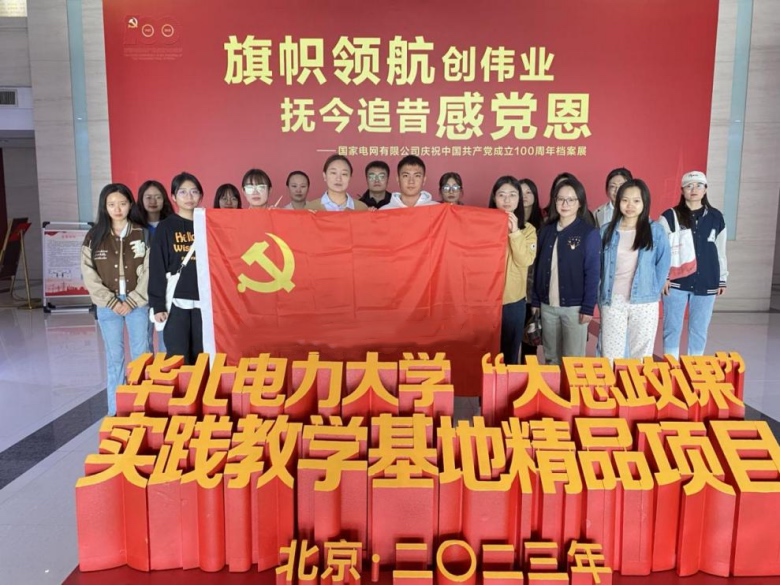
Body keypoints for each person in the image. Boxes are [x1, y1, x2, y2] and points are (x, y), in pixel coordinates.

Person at [80, 183, 150, 415]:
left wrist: (133, 300)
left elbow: (150, 270)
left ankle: (142, 409)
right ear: (104, 207)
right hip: (107, 305)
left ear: (130, 205)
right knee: (114, 360)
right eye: (111, 204)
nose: (117, 209)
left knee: (141, 358)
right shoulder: (94, 236)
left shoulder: (142, 233)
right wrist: (110, 301)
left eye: (122, 203)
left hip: (137, 303)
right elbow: (88, 273)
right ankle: (116, 412)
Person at [599, 179, 670, 361]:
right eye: (625, 200)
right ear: (618, 202)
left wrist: (652, 291)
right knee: (611, 355)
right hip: (613, 300)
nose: (630, 205)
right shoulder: (606, 231)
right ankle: (614, 381)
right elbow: (599, 266)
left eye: (636, 201)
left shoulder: (656, 231)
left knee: (641, 356)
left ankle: (637, 382)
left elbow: (663, 264)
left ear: (644, 202)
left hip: (645, 301)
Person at [531, 177, 600, 365]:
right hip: (547, 306)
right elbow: (538, 267)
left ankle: (571, 386)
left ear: (580, 203)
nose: (565, 204)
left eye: (571, 199)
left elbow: (593, 273)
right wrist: (536, 300)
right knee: (551, 357)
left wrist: (588, 307)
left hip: (574, 308)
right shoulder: (546, 231)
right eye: (560, 199)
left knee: (573, 360)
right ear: (554, 201)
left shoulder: (588, 233)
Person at [658, 171, 728, 357]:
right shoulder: (669, 216)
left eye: (698, 185)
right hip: (676, 282)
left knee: (699, 329)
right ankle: (671, 367)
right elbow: (661, 251)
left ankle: (694, 366)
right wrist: (663, 277)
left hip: (707, 281)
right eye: (689, 186)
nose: (694, 189)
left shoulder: (716, 217)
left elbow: (720, 250)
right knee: (672, 328)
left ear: (705, 189)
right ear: (682, 190)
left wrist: (722, 278)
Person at [149, 171, 204, 365]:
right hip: (175, 302)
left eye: (194, 191)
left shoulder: (208, 224)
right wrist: (158, 305)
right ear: (173, 196)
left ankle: (201, 386)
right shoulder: (166, 227)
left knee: (203, 356)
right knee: (178, 357)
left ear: (201, 195)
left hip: (204, 302)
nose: (189, 197)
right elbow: (157, 267)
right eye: (183, 192)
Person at [488, 176, 537, 364]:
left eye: (512, 195)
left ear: (519, 199)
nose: (507, 200)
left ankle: (506, 385)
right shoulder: (483, 226)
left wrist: (515, 231)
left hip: (513, 302)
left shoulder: (528, 230)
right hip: (485, 301)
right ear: (494, 198)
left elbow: (525, 260)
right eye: (501, 195)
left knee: (509, 356)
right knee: (485, 354)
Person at [132, 180, 174, 354]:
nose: (153, 201)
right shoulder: (133, 228)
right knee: (143, 342)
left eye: (157, 197)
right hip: (140, 291)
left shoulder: (172, 225)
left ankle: (166, 371)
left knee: (167, 341)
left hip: (165, 290)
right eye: (148, 197)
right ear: (141, 200)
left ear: (165, 199)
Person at [519, 178, 544, 360]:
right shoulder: (508, 221)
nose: (525, 196)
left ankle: (528, 375)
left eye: (529, 192)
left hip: (533, 290)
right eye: (520, 193)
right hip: (512, 289)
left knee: (529, 341)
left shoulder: (544, 225)